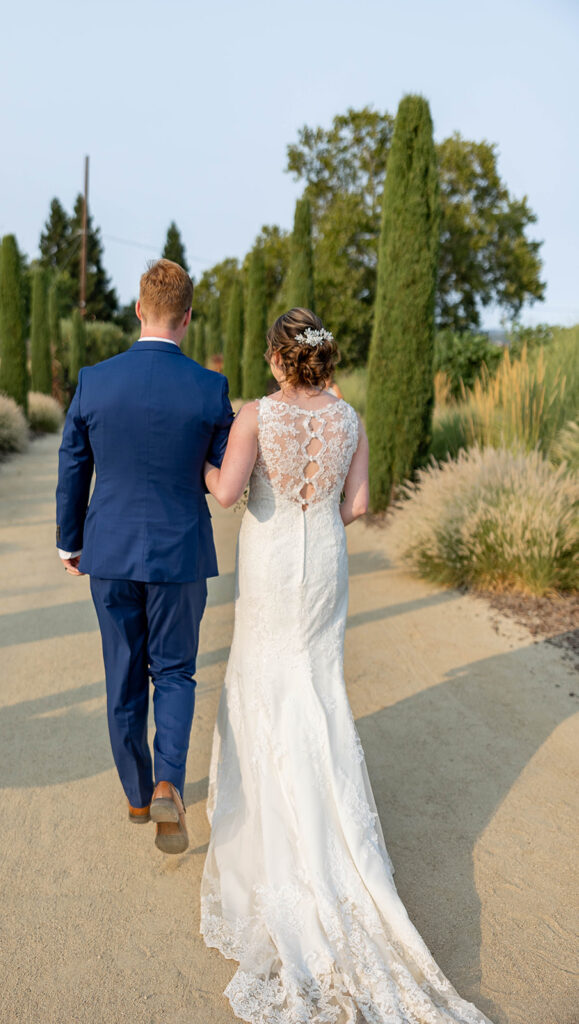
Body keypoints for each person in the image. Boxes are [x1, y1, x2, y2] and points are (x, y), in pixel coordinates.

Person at [199, 307, 494, 1023]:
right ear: (323, 359)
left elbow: (228, 491)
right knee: (316, 691)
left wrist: (196, 460)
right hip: (323, 563)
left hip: (270, 562)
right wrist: (318, 499)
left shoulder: (253, 417)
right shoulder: (350, 420)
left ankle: (274, 844)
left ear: (276, 358)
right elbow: (356, 505)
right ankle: (335, 842)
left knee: (264, 687)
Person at [55, 258, 234, 855]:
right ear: (188, 317)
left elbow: (74, 462)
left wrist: (69, 539)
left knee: (123, 674)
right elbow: (225, 469)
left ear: (138, 309)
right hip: (180, 550)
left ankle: (136, 794)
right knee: (175, 671)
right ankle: (168, 785)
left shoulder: (94, 380)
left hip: (109, 550)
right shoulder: (210, 389)